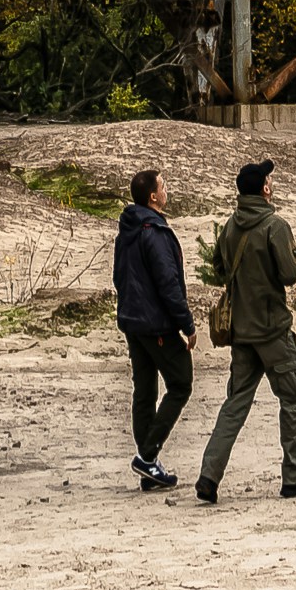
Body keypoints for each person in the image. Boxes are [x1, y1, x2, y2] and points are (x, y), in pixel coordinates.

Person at [195, 154, 296, 503]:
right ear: (265, 189)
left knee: (235, 404)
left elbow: (219, 268)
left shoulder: (230, 227)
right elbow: (290, 274)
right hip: (273, 332)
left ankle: (209, 475)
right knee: (293, 398)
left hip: (242, 333)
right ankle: (294, 476)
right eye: (268, 180)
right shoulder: (275, 226)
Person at [112, 162, 195, 492]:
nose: (166, 189)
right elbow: (168, 283)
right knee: (182, 382)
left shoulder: (128, 230)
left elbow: (120, 277)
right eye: (163, 186)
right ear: (153, 196)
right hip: (154, 323)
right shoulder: (153, 231)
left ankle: (148, 468)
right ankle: (147, 456)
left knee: (144, 390)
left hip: (133, 320)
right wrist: (186, 323)